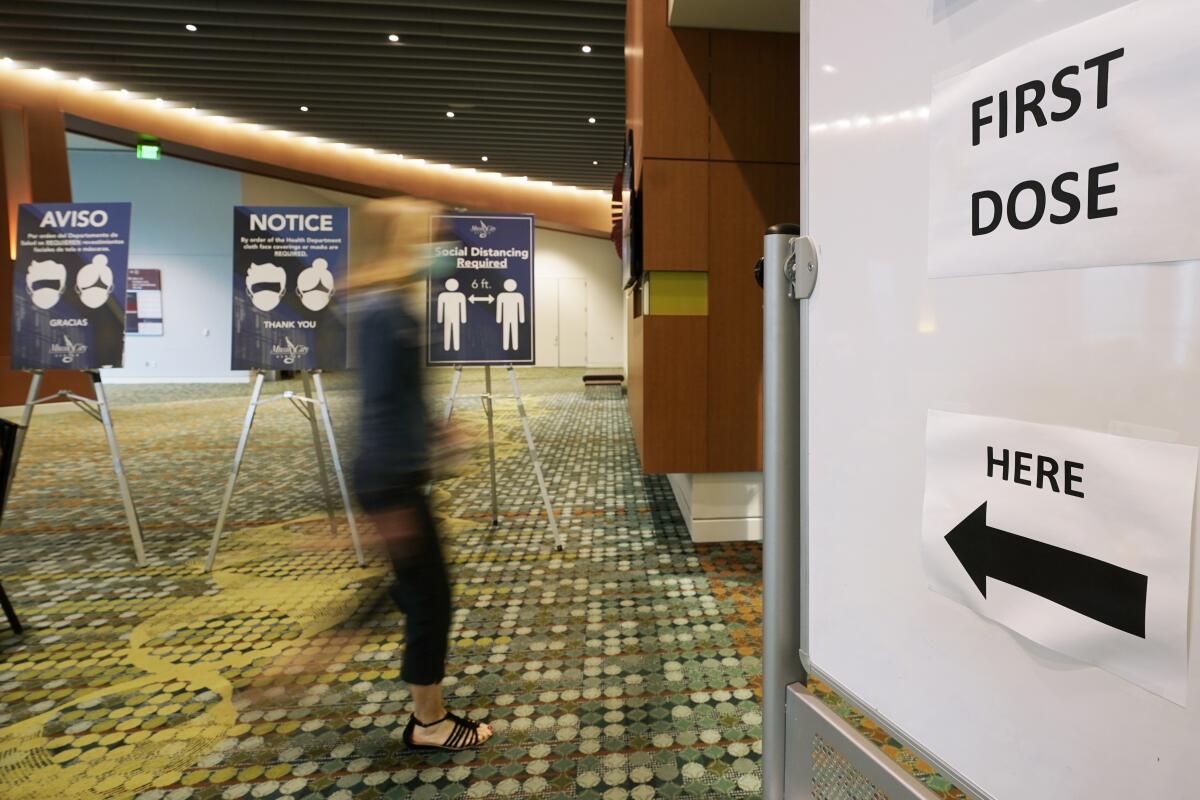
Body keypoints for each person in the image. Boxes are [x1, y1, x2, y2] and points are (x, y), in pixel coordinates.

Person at [350, 198, 493, 752]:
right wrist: (393, 496)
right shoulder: (387, 311)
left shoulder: (380, 303)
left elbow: (396, 397)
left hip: (391, 473)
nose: (442, 250)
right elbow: (383, 402)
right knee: (429, 599)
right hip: (391, 479)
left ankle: (425, 712)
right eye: (431, 238)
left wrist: (436, 433)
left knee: (416, 592)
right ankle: (429, 724)